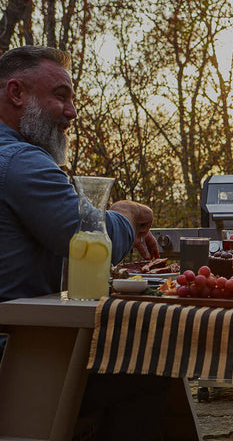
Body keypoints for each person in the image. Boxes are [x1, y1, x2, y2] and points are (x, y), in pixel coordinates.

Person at [0, 45, 167, 440]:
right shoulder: (20, 162)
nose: (72, 112)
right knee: (152, 364)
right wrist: (128, 214)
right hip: (15, 357)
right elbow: (93, 240)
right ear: (16, 93)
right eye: (61, 95)